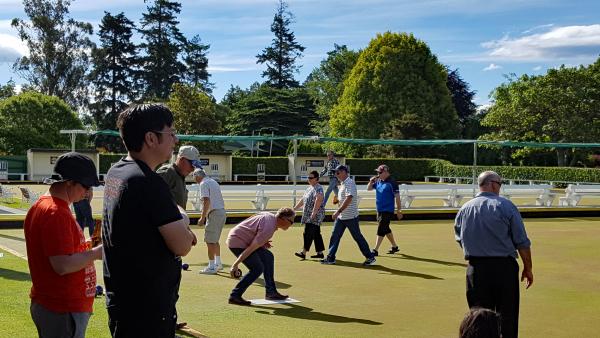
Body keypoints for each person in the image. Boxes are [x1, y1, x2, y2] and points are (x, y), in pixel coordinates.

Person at [103, 103, 197, 337]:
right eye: (171, 133)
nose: (175, 140)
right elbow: (183, 246)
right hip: (146, 309)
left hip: (123, 300)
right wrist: (182, 220)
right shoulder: (148, 182)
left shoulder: (117, 172)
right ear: (151, 138)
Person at [24, 152, 103, 338]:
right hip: (61, 308)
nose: (88, 192)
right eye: (86, 186)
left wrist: (90, 245)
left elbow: (62, 251)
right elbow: (62, 265)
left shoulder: (46, 206)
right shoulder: (56, 212)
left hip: (56, 306)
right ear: (69, 182)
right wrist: (97, 253)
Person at [454, 171, 533, 338]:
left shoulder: (464, 209)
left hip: (476, 269)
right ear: (493, 184)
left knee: (479, 319)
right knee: (508, 317)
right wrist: (528, 267)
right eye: (500, 183)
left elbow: (460, 238)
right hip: (504, 268)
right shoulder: (506, 206)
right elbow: (522, 241)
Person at [226, 207, 295, 306]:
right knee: (257, 269)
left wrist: (262, 240)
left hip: (238, 237)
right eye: (291, 222)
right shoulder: (269, 228)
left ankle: (271, 292)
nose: (291, 224)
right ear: (283, 219)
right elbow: (251, 248)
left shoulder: (270, 217)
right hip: (237, 242)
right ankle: (235, 296)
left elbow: (252, 221)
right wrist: (235, 264)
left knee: (268, 256)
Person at [321, 165, 376, 266]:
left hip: (350, 217)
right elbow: (345, 197)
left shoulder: (349, 182)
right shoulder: (343, 183)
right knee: (335, 236)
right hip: (342, 217)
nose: (336, 175)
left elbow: (349, 198)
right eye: (335, 173)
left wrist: (338, 211)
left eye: (337, 173)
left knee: (357, 237)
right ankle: (330, 257)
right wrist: (338, 199)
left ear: (344, 172)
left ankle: (370, 257)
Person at [193, 169, 227, 274]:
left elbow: (206, 201)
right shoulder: (213, 181)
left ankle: (212, 267)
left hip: (214, 214)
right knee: (214, 240)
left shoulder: (203, 184)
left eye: (194, 177)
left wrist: (202, 218)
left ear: (197, 176)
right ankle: (218, 263)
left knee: (210, 241)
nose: (194, 180)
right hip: (221, 212)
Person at [367, 164, 402, 256]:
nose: (378, 174)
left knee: (381, 228)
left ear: (386, 172)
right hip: (379, 209)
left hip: (388, 210)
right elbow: (369, 189)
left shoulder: (392, 183)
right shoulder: (378, 181)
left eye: (380, 172)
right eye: (377, 172)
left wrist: (399, 210)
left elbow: (397, 197)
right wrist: (371, 182)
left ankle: (375, 250)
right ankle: (395, 246)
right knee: (385, 228)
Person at [157, 145, 203, 209]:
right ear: (182, 159)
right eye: (192, 165)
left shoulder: (180, 176)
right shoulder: (167, 173)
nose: (193, 169)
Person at [293, 170, 326, 260]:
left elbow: (319, 199)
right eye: (308, 177)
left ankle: (303, 252)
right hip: (308, 214)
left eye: (311, 178)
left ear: (316, 179)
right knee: (316, 234)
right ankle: (320, 252)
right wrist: (294, 209)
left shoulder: (319, 188)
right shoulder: (309, 188)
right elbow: (303, 200)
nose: (309, 179)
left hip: (315, 215)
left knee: (307, 232)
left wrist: (314, 213)